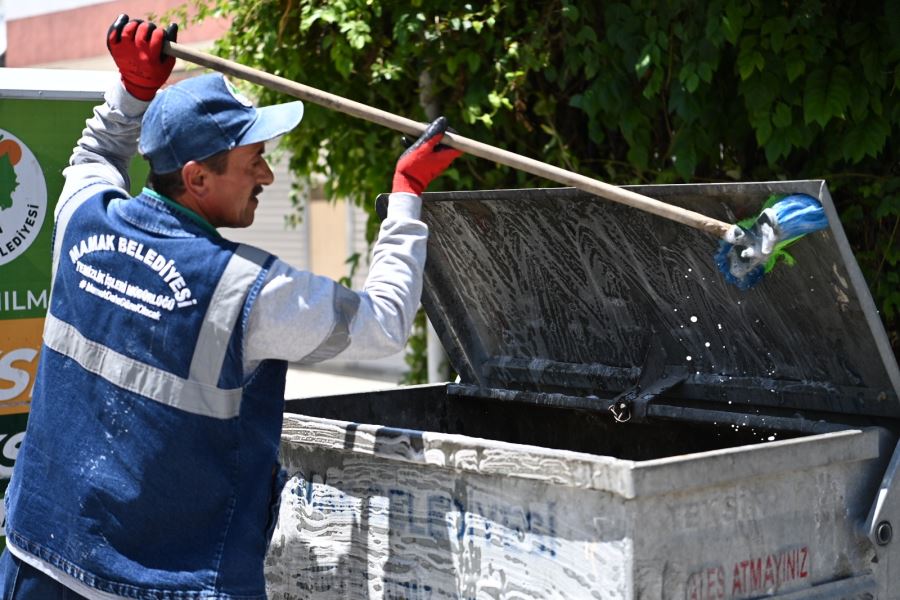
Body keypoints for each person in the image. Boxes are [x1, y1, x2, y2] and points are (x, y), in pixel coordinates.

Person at [0, 14, 461, 600]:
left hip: (35, 557)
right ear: (196, 178)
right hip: (160, 586)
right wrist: (405, 199)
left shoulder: (82, 217)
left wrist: (132, 91)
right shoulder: (247, 289)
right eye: (253, 162)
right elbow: (386, 323)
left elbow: (97, 149)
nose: (267, 175)